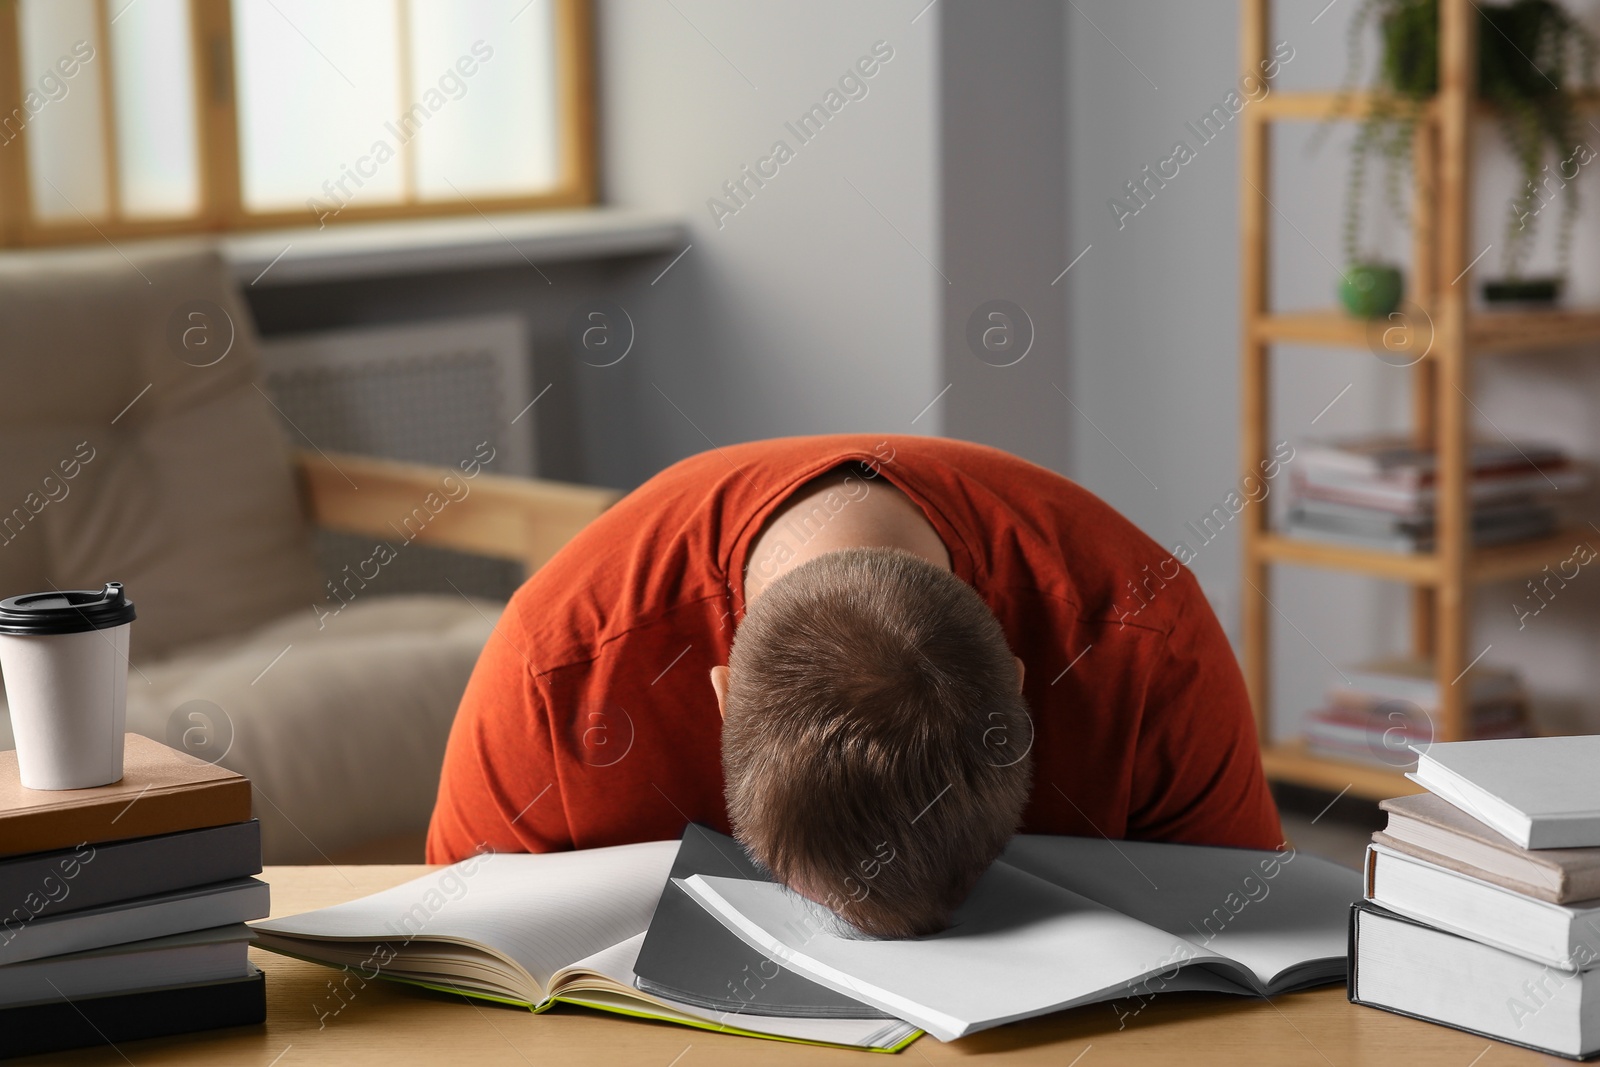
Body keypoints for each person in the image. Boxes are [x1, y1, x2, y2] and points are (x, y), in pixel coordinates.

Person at [427, 434, 1282, 937]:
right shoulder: (555, 667)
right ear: (720, 699)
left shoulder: (1148, 639)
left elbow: (1248, 937)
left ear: (1019, 696)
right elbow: (457, 956)